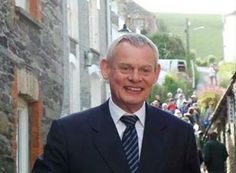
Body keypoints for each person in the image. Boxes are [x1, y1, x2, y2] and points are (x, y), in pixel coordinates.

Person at [31, 33, 200, 173]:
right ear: (106, 69)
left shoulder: (179, 134)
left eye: (145, 70)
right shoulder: (68, 133)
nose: (135, 78)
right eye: (125, 68)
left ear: (156, 74)